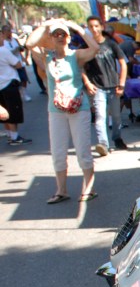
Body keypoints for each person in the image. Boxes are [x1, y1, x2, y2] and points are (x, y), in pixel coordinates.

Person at [26, 18, 100, 204]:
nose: (60, 37)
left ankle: (88, 188)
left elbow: (95, 49)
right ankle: (61, 190)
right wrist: (44, 25)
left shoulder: (76, 55)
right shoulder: (46, 56)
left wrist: (78, 29)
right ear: (50, 38)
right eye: (56, 34)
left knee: (83, 150)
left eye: (63, 34)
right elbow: (29, 43)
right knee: (58, 151)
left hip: (78, 108)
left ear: (68, 37)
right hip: (56, 110)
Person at [83, 16, 128, 153]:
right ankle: (103, 144)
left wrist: (121, 84)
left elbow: (123, 63)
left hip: (114, 86)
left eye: (96, 26)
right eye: (91, 27)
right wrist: (87, 82)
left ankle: (117, 138)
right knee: (100, 116)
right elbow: (81, 67)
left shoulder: (111, 44)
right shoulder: (87, 47)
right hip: (98, 87)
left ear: (102, 27)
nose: (94, 29)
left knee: (116, 116)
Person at [0, 38, 29, 145]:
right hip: (8, 83)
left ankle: (10, 135)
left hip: (1, 85)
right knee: (13, 111)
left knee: (5, 111)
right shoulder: (3, 50)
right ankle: (14, 137)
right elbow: (18, 64)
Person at [2, 23, 31, 104]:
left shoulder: (15, 40)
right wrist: (14, 51)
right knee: (15, 81)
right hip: (10, 65)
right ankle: (19, 94)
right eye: (8, 31)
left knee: (24, 79)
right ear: (3, 32)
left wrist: (24, 57)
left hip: (19, 62)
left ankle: (25, 93)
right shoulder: (3, 42)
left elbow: (20, 49)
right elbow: (5, 53)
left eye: (10, 31)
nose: (10, 33)